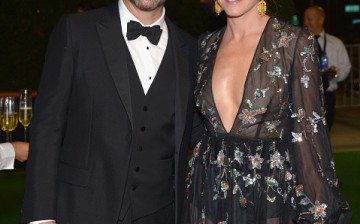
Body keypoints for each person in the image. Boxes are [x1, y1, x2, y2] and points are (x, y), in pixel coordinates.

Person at [21, 0, 202, 223]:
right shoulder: (76, 30)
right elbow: (47, 128)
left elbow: (200, 132)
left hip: (160, 214)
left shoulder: (191, 49)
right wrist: (41, 217)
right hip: (81, 211)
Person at [182, 0, 350, 223]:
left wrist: (317, 211)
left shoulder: (294, 43)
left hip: (269, 197)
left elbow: (308, 137)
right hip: (207, 191)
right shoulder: (204, 46)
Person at [303, 6, 351, 130]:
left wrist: (335, 73)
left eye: (309, 19)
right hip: (304, 97)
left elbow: (345, 67)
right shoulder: (299, 43)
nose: (305, 22)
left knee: (325, 133)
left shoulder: (336, 43)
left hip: (327, 97)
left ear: (321, 20)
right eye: (305, 19)